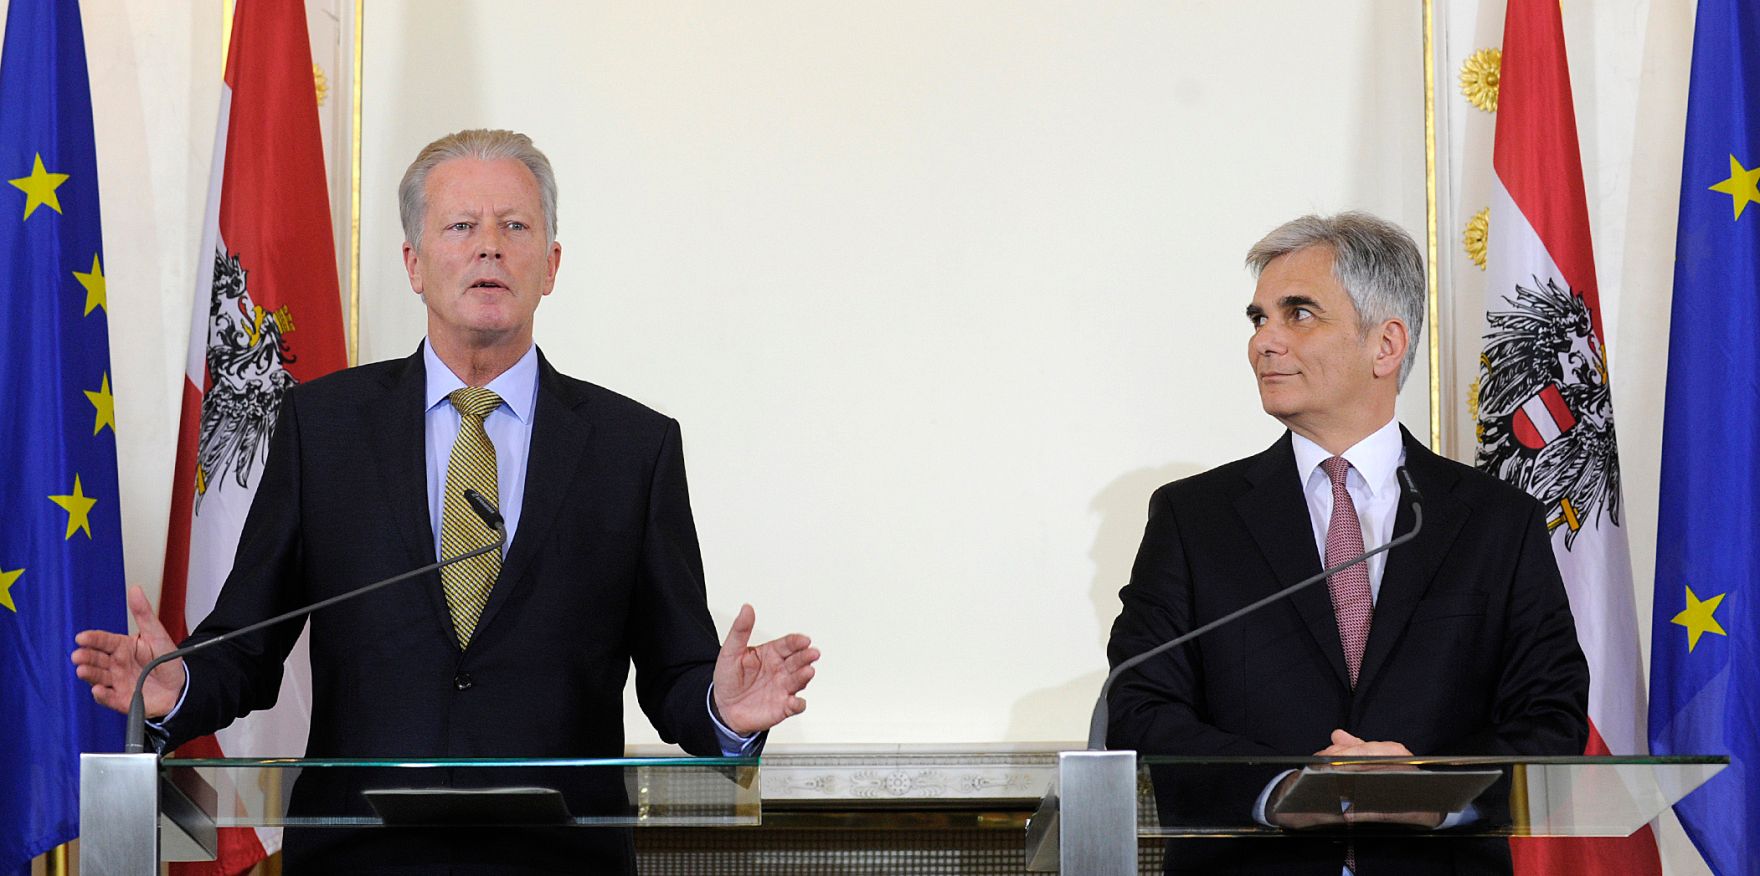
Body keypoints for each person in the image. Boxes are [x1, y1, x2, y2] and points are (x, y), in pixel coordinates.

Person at [72, 129, 820, 874]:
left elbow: (674, 674)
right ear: (414, 263)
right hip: (361, 861)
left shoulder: (634, 448)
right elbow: (248, 642)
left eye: (515, 226)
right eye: (461, 226)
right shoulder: (323, 428)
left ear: (552, 265)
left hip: (556, 863)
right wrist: (177, 688)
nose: (489, 246)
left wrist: (722, 711)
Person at [1104, 212, 1589, 875]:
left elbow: (1551, 717)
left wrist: (1432, 791)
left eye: (1298, 314)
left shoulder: (1496, 523)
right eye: (1258, 319)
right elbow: (1140, 705)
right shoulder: (1193, 520)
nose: (1264, 343)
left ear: (1385, 345)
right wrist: (1281, 793)